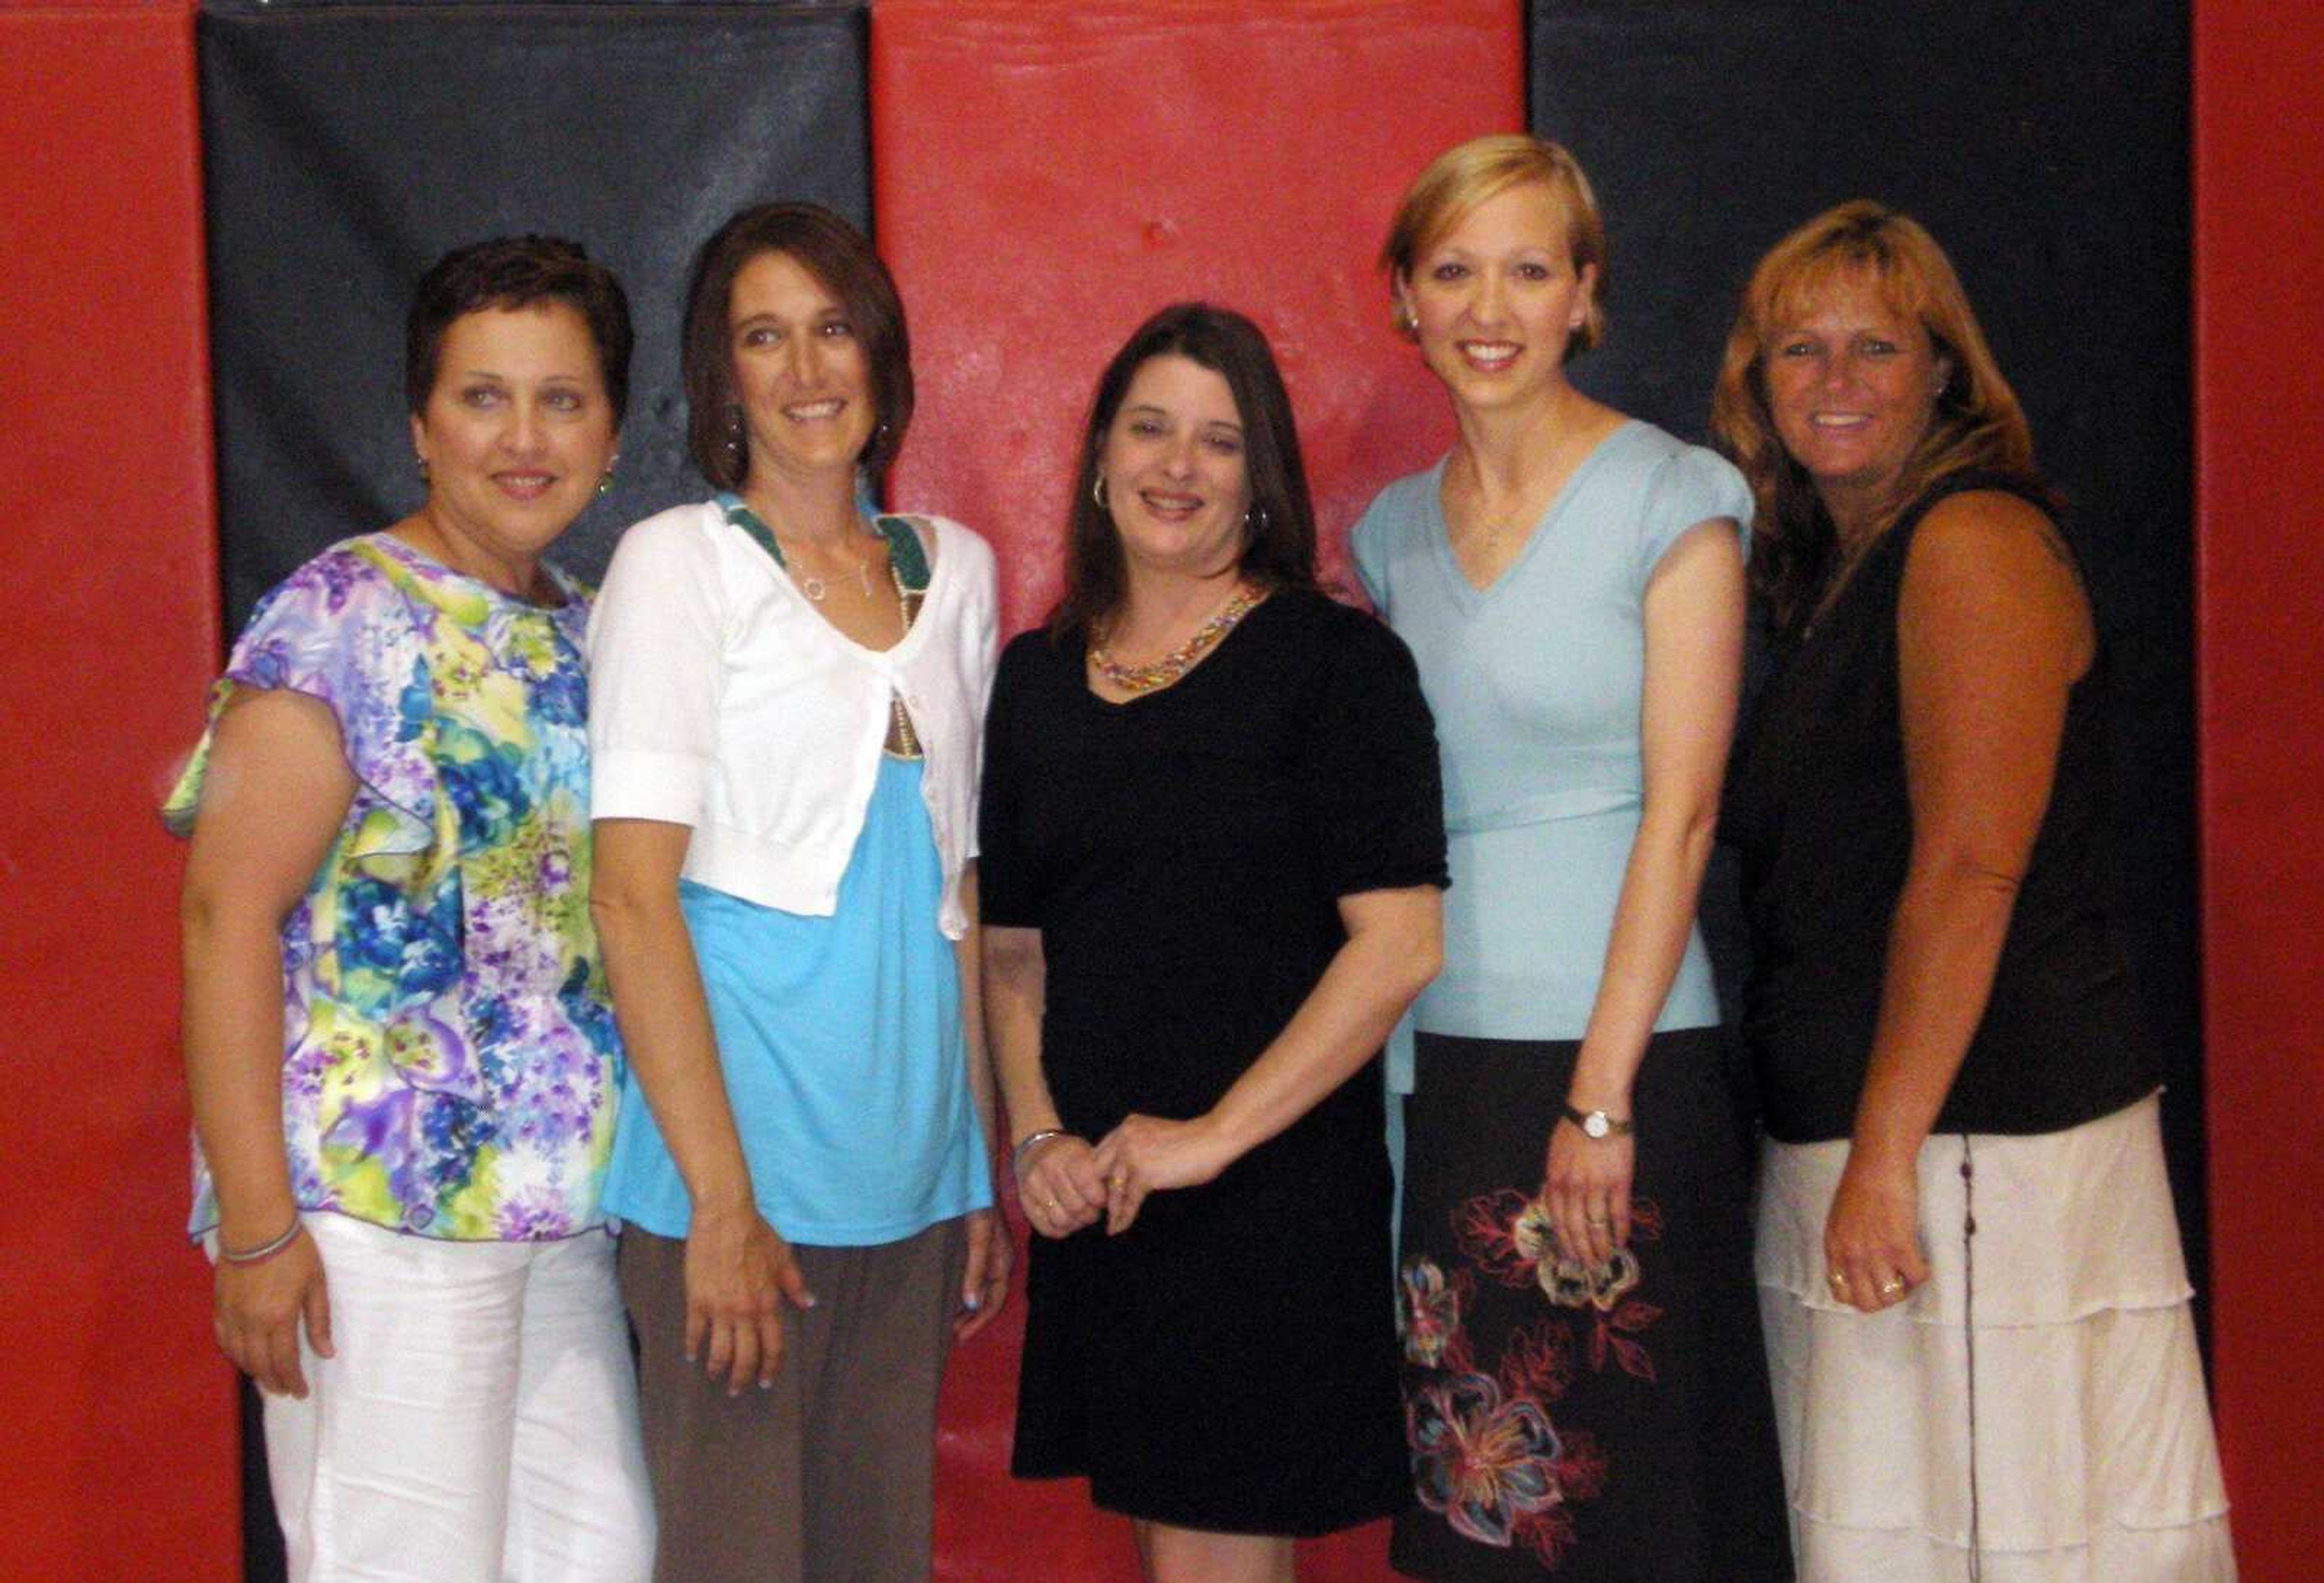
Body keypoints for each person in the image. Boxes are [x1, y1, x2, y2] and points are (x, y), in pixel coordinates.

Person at [1716, 200, 2235, 1581]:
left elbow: (1969, 870)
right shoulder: (1840, 571)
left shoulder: (1971, 543)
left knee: (2012, 1549)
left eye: (1874, 347)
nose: (1833, 382)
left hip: (1970, 1154)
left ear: (1944, 370)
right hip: (1874, 1146)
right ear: (1756, 382)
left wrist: (1887, 1156)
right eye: (1798, 349)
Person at [169, 235, 652, 1582]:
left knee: (603, 1561)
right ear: (420, 427)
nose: (524, 436)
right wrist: (259, 1229)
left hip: (562, 1222)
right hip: (372, 1225)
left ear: (614, 436)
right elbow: (224, 922)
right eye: (484, 396)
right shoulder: (335, 617)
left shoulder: (596, 632)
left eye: (563, 399)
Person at [1351, 134, 1793, 1581]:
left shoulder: (1678, 501)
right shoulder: (1388, 534)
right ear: (1406, 298)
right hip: (1443, 1071)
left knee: (1638, 1515)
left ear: (1586, 296)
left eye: (1531, 270)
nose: (1492, 306)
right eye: (1456, 269)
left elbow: (1682, 817)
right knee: (1483, 1516)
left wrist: (1599, 1105)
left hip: (1619, 1066)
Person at [982, 301, 1447, 1583]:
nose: (1177, 466)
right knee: (1165, 1545)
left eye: (1219, 440)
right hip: (1106, 1200)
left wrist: (1210, 1141)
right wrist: (1035, 1141)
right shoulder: (1035, 678)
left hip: (1264, 1198)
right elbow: (1014, 948)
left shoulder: (1338, 667)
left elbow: (1400, 944)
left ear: (1262, 483)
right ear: (1098, 458)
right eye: (1149, 429)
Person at [584, 200, 1007, 1583]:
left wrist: (976, 1172)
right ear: (723, 378)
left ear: (882, 356)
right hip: (740, 1190)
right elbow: (634, 902)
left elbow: (959, 889)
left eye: (833, 328)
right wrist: (719, 1205)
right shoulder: (677, 567)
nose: (808, 368)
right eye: (766, 337)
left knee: (874, 1558)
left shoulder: (957, 577)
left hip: (907, 1182)